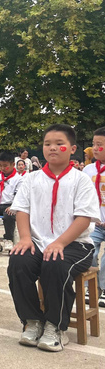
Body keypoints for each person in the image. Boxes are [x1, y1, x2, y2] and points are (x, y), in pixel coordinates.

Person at [8, 124, 99, 352]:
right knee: (18, 262)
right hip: (38, 242)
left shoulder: (81, 180)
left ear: (72, 148)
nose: (53, 148)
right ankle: (32, 321)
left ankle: (55, 326)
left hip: (76, 245)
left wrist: (59, 242)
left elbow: (84, 218)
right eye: (48, 144)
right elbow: (22, 210)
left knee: (55, 263)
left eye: (60, 144)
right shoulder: (31, 179)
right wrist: (26, 238)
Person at [83, 126, 105, 306]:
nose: (95, 149)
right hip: (95, 223)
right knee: (88, 250)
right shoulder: (88, 171)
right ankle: (91, 286)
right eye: (94, 144)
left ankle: (104, 288)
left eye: (100, 145)